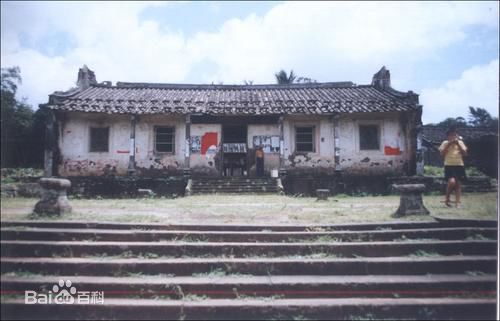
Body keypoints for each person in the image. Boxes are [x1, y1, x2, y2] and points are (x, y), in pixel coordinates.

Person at [438, 127, 468, 208]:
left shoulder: (460, 142)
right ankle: (447, 198)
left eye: (454, 135)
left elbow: (465, 154)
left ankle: (457, 203)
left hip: (459, 165)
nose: (453, 137)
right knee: (452, 182)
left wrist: (458, 144)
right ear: (448, 136)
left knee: (458, 184)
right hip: (449, 165)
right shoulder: (445, 143)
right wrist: (449, 144)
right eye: (451, 135)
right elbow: (442, 154)